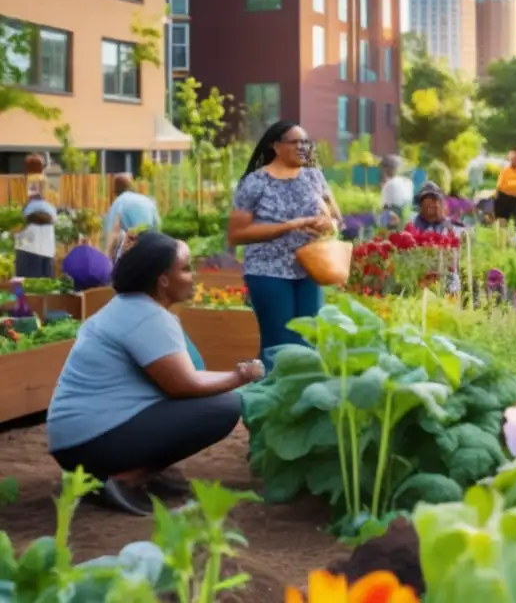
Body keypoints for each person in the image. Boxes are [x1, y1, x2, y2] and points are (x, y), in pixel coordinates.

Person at [46, 231, 263, 516]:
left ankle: (141, 472)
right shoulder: (146, 317)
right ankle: (124, 479)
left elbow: (188, 375)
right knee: (223, 407)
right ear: (162, 279)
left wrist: (238, 375)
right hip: (90, 442)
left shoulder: (131, 307)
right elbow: (183, 385)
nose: (193, 275)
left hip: (75, 440)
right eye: (185, 269)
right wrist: (240, 378)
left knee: (219, 397)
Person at [227, 121, 342, 370]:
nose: (302, 147)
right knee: (278, 344)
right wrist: (291, 225)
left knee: (308, 341)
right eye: (295, 142)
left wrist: (326, 223)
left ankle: (302, 403)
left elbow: (335, 217)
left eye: (305, 142)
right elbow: (236, 234)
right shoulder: (255, 182)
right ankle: (268, 402)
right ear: (276, 146)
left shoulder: (313, 176)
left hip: (310, 269)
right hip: (268, 273)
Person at [104, 174, 161, 261]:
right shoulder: (146, 200)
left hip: (135, 244)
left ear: (114, 191)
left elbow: (113, 233)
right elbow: (157, 224)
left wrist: (107, 257)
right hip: (152, 243)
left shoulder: (119, 202)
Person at [15, 174, 57, 278]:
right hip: (47, 252)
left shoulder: (27, 208)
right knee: (46, 288)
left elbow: (18, 230)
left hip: (27, 252)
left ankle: (18, 295)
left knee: (21, 288)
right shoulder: (51, 209)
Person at [379, 155, 414, 229]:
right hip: (407, 214)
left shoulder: (389, 183)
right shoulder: (408, 182)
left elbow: (385, 204)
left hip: (393, 215)